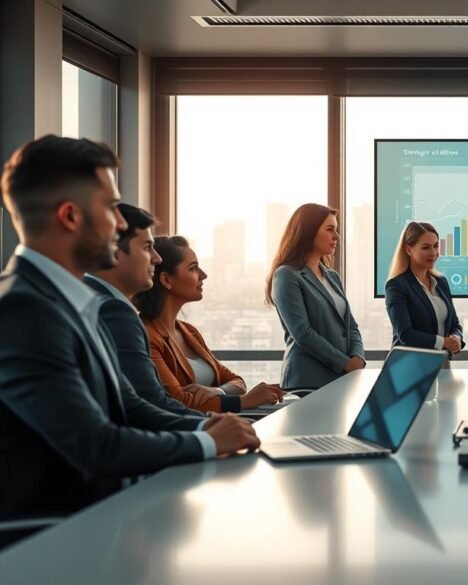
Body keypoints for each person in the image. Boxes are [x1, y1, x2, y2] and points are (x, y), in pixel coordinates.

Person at [0, 135, 257, 519]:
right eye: (110, 208)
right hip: (56, 537)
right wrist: (206, 441)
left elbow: (133, 407)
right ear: (70, 216)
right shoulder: (23, 310)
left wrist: (216, 426)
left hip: (107, 515)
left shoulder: (76, 301)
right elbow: (96, 446)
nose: (121, 223)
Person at [137, 236, 283, 413]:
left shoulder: (189, 331)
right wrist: (244, 401)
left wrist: (218, 390)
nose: (203, 275)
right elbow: (178, 402)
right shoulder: (147, 336)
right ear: (167, 280)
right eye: (193, 268)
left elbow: (237, 381)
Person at [85, 203, 204, 417]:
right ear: (115, 251)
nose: (157, 259)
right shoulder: (114, 312)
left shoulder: (90, 300)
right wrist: (210, 425)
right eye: (147, 247)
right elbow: (148, 405)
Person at [267, 203, 365, 389]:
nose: (337, 237)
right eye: (330, 230)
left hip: (342, 380)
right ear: (308, 232)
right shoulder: (287, 275)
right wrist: (345, 363)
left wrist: (358, 357)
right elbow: (302, 333)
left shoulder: (332, 276)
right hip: (308, 381)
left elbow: (351, 326)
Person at [385, 222, 464, 357]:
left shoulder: (441, 283)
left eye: (436, 246)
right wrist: (443, 342)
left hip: (441, 362)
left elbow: (454, 324)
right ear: (409, 249)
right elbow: (406, 334)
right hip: (409, 365)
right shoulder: (396, 286)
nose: (433, 253)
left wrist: (456, 338)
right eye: (426, 247)